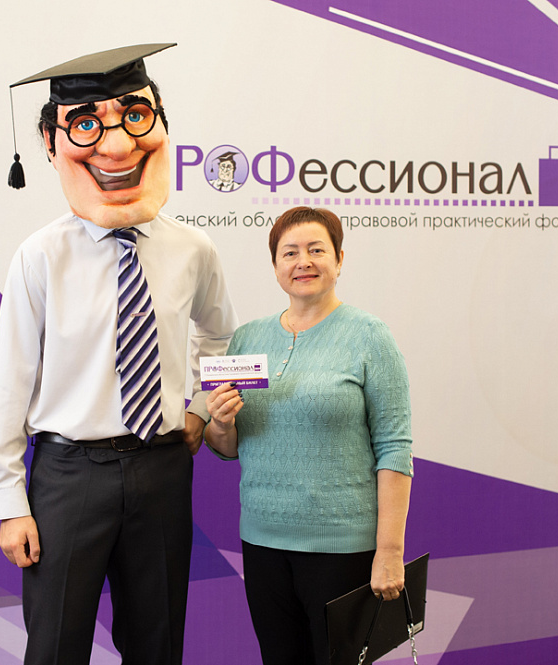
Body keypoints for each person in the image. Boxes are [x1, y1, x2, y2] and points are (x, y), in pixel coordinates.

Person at [0, 43, 237, 665]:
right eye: (87, 126)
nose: (117, 146)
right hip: (69, 475)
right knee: (56, 646)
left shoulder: (193, 249)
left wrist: (200, 410)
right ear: (52, 145)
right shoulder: (40, 257)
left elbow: (219, 338)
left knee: (157, 644)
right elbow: (10, 384)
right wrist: (11, 504)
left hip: (162, 468)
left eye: (136, 118)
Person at [204, 206, 413, 665]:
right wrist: (219, 423)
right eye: (290, 252)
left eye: (317, 250)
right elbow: (228, 448)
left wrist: (389, 551)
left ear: (339, 260)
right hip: (262, 544)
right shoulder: (247, 339)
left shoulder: (370, 336)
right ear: (275, 265)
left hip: (343, 549)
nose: (304, 262)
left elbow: (395, 448)